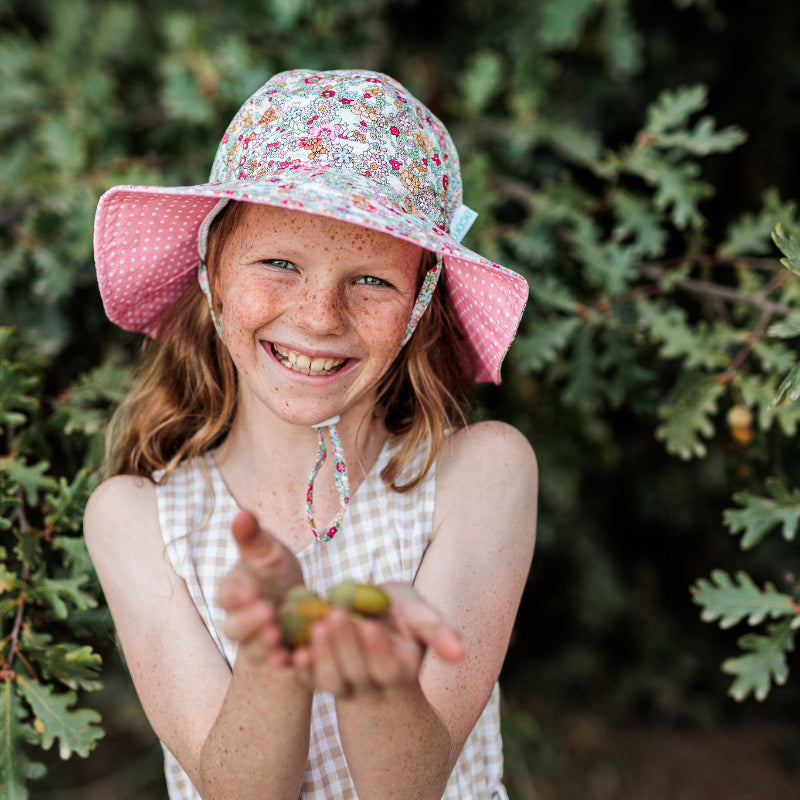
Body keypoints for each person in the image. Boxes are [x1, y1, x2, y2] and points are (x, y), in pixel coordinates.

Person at [84, 68, 537, 800]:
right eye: (278, 263)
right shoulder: (137, 520)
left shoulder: (480, 475)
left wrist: (372, 671)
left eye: (373, 280)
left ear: (420, 304)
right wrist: (273, 653)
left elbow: (410, 787)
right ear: (212, 274)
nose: (320, 316)